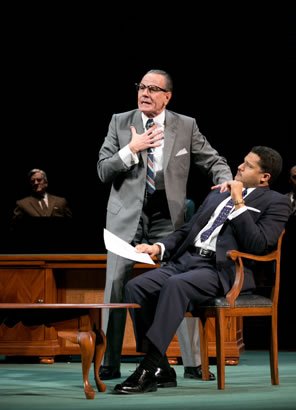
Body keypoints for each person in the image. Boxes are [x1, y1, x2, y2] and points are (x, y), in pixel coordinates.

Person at [113, 146, 292, 394]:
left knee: (177, 285)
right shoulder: (218, 195)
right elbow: (188, 231)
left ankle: (146, 369)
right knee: (136, 287)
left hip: (224, 269)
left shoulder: (277, 202)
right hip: (187, 261)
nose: (239, 166)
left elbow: (259, 245)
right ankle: (162, 367)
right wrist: (158, 247)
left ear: (265, 177)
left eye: (249, 165)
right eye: (243, 161)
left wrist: (239, 202)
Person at [97, 69, 233, 383]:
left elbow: (213, 161)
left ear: (167, 96)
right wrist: (132, 148)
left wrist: (226, 182)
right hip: (126, 216)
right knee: (117, 287)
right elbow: (103, 170)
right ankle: (110, 362)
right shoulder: (120, 121)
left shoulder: (185, 125)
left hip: (168, 218)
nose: (144, 93)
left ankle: (193, 363)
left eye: (153, 89)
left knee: (180, 281)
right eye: (141, 87)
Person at [10, 169, 72, 252]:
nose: (36, 183)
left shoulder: (61, 201)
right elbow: (14, 229)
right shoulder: (22, 204)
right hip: (33, 249)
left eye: (39, 180)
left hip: (60, 248)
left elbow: (71, 226)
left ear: (46, 182)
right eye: (33, 181)